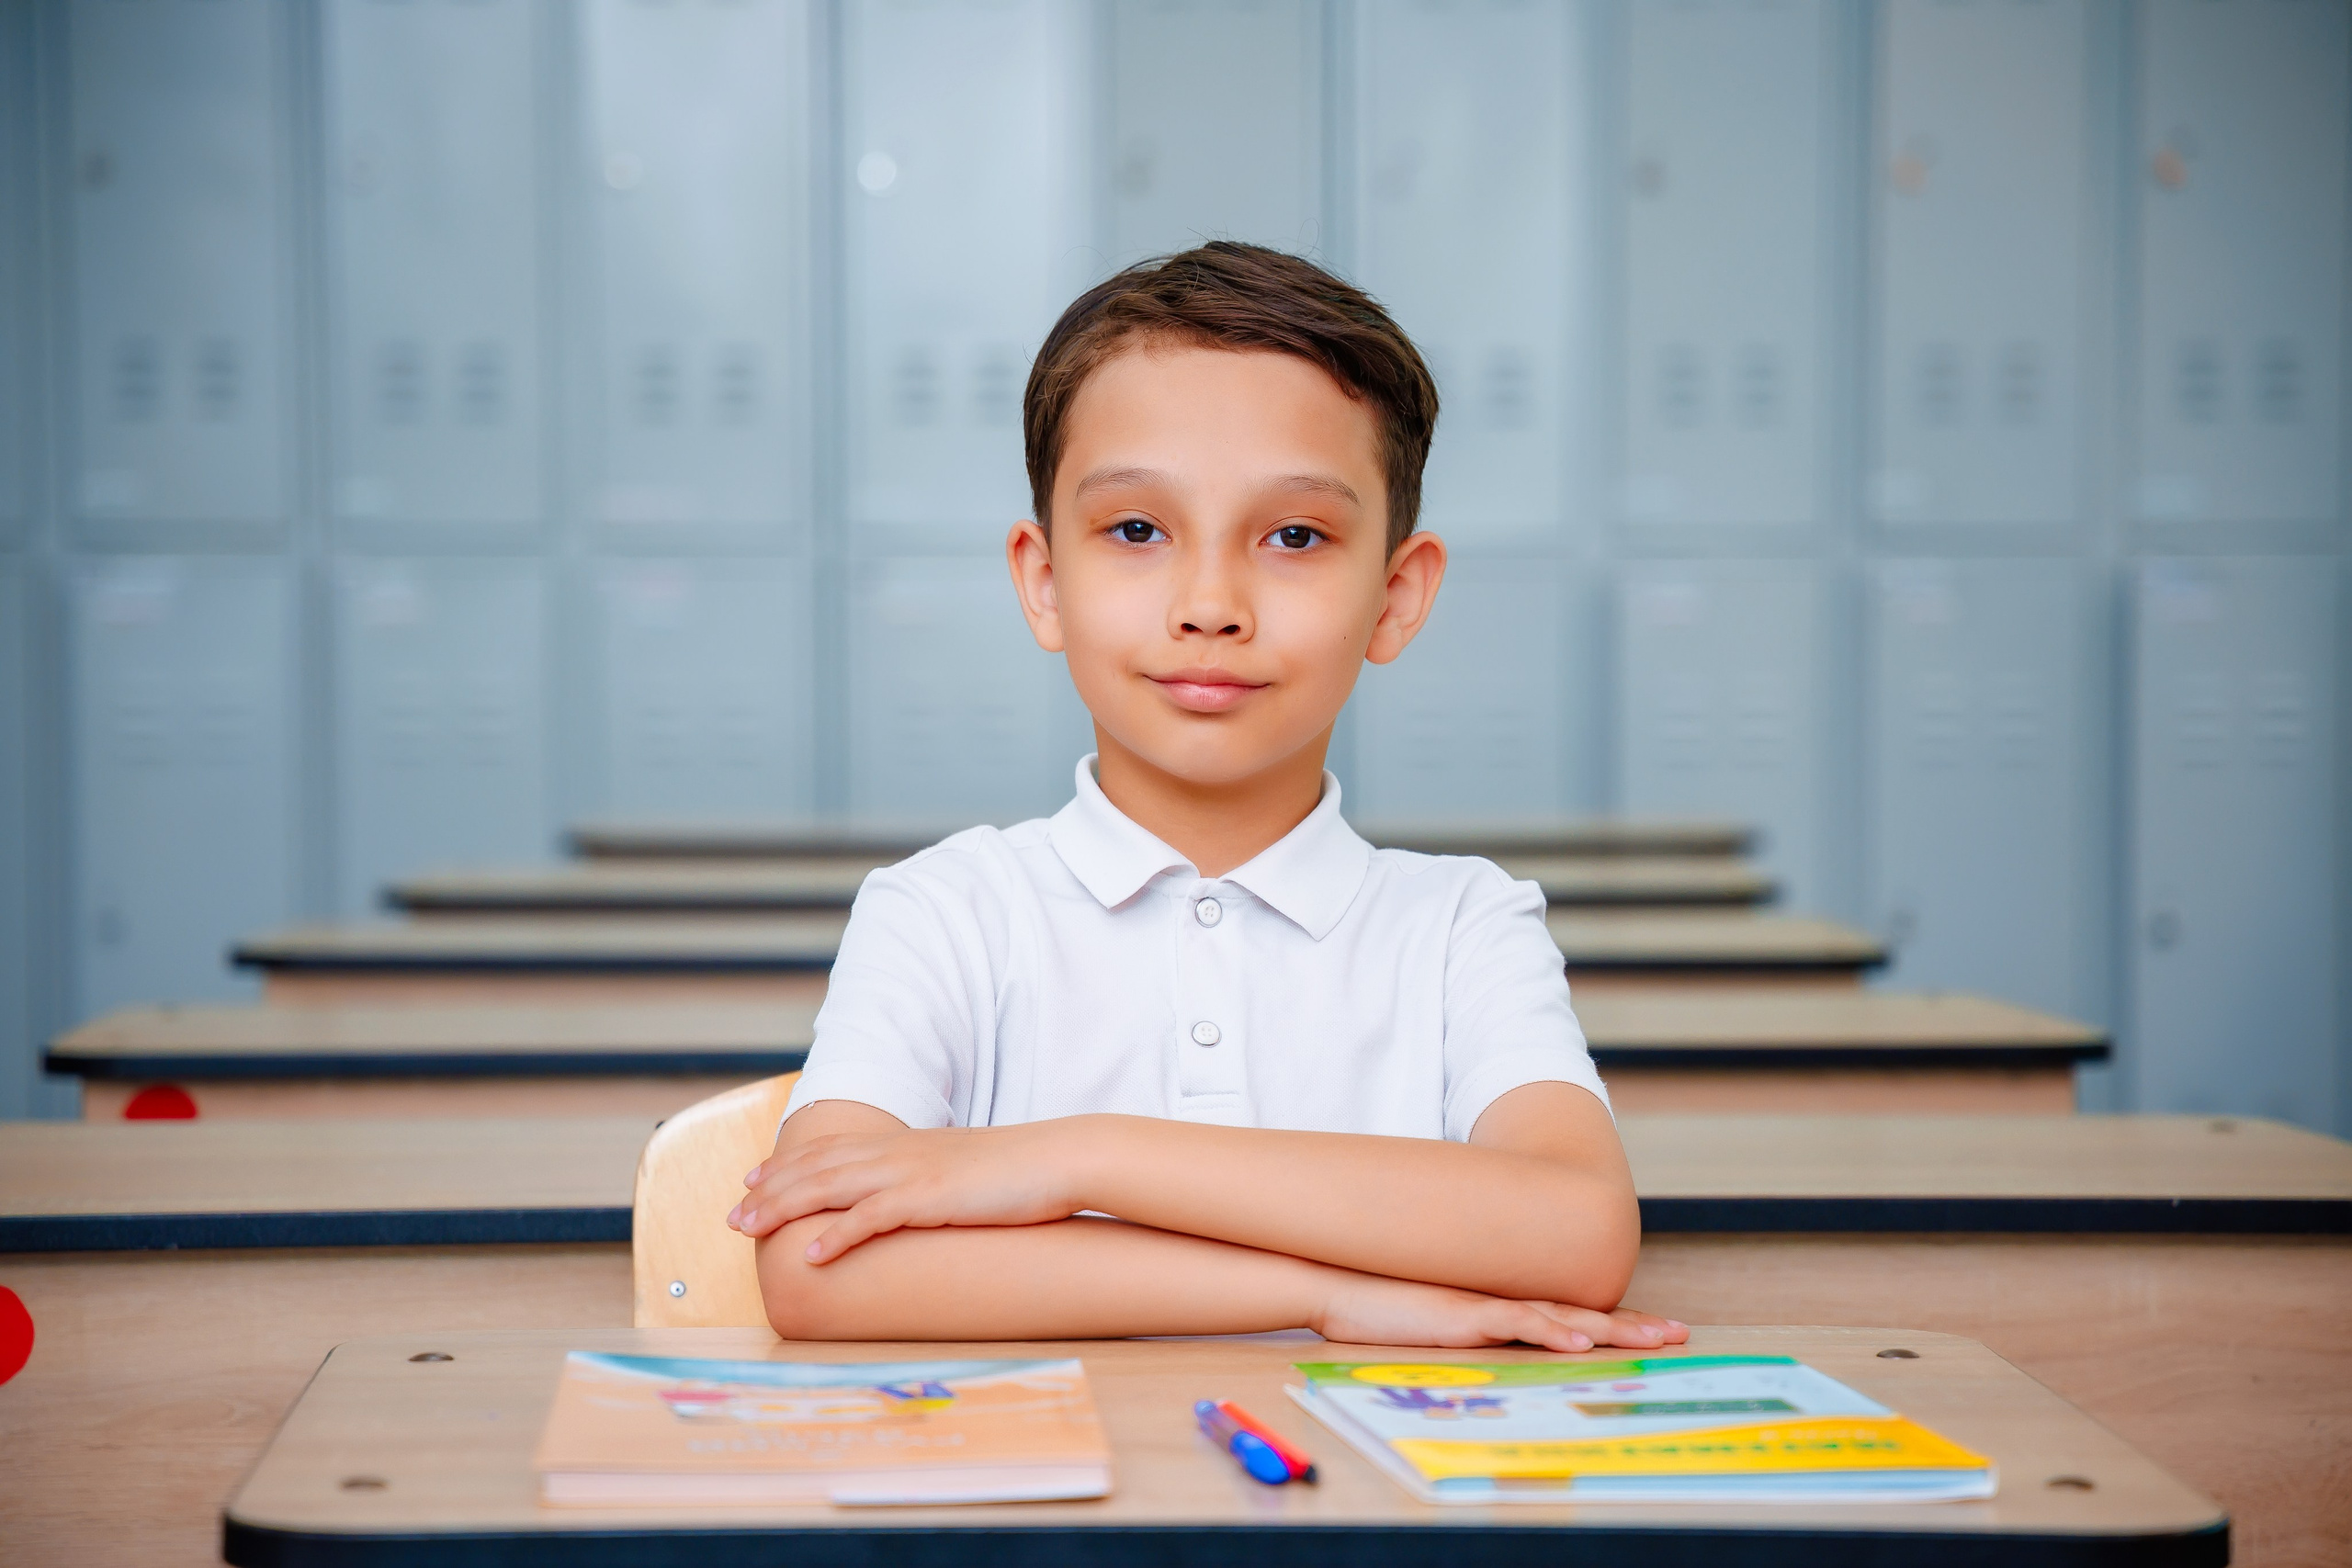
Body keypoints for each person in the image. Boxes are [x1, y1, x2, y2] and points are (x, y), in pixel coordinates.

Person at [729, 243, 1685, 1354]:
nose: (1211, 602)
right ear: (1044, 581)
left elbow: (1573, 1235)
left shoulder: (1464, 925)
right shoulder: (942, 912)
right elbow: (814, 1267)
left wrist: (1073, 1158)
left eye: (1295, 536)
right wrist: (1320, 1296)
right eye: (1137, 530)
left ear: (1396, 595)